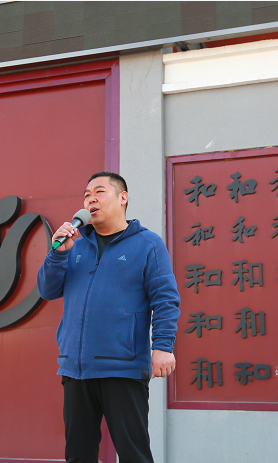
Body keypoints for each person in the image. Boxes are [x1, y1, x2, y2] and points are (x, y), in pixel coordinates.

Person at [37, 172, 181, 463]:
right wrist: (57, 254)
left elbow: (165, 299)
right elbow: (47, 290)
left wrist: (163, 346)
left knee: (133, 455)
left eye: (99, 192)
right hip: (76, 369)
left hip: (123, 368)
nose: (90, 199)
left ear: (122, 198)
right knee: (78, 456)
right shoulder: (74, 247)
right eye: (86, 195)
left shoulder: (148, 244)